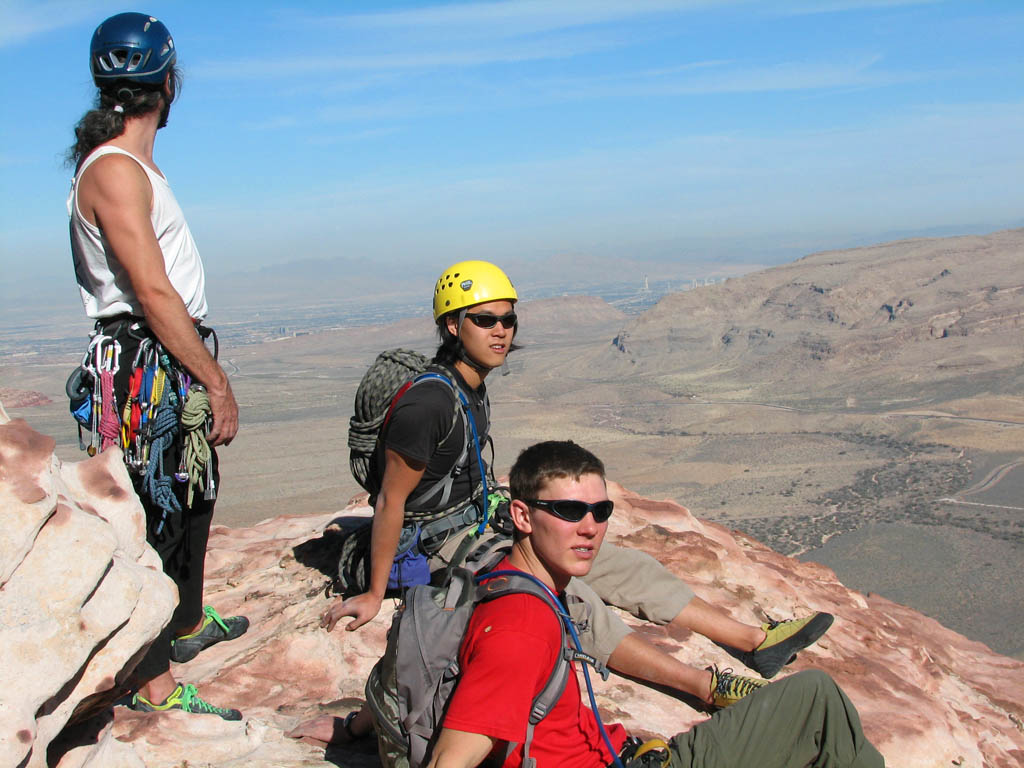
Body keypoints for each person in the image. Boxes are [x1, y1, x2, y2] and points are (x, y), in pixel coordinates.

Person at [289, 261, 831, 744]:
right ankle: (708, 687)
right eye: (485, 320)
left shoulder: (468, 385)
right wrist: (376, 591)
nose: (501, 330)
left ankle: (754, 641)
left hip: (479, 521)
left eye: (508, 319)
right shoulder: (429, 405)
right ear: (452, 326)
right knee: (570, 600)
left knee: (612, 561)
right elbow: (389, 501)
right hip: (436, 543)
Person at [427, 440, 885, 768]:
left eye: (599, 512)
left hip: (622, 752)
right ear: (522, 516)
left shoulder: (520, 585)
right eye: (568, 511)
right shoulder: (520, 627)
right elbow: (453, 757)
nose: (589, 527)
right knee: (817, 698)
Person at [67, 12, 246, 720]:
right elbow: (150, 289)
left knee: (192, 491)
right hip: (148, 359)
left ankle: (184, 622)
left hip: (161, 351)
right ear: (170, 82)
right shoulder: (113, 167)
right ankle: (153, 688)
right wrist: (214, 379)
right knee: (155, 510)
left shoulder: (128, 164)